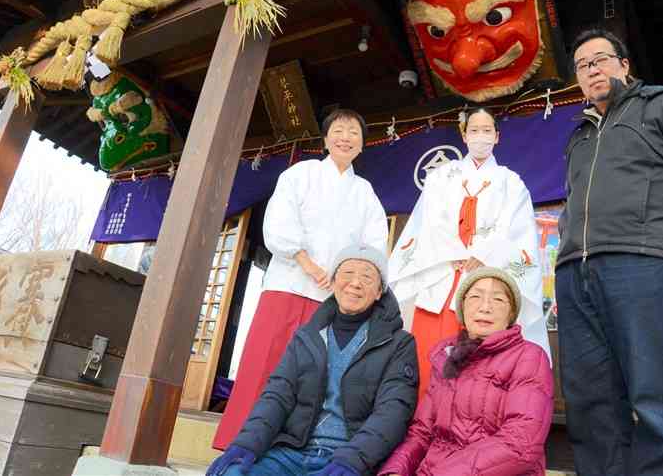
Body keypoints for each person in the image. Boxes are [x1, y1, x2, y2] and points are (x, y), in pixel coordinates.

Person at [556, 28, 663, 476]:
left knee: (655, 392)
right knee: (590, 399)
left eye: (600, 59)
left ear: (624, 64)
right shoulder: (579, 136)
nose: (592, 69)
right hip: (576, 274)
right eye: (582, 65)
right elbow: (573, 202)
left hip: (642, 264)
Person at [214, 109, 389, 449]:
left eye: (354, 133)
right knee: (265, 362)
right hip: (289, 285)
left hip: (332, 298)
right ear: (325, 139)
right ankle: (238, 444)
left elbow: (374, 243)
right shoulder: (301, 174)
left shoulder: (365, 192)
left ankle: (288, 449)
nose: (345, 138)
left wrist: (350, 278)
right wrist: (304, 260)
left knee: (312, 376)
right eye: (338, 130)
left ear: (362, 145)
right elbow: (279, 221)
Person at [207, 244, 418, 476]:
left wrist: (353, 460)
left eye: (367, 277)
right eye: (347, 273)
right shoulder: (306, 336)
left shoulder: (399, 344)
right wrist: (246, 444)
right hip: (291, 452)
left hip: (345, 458)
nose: (355, 283)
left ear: (380, 292)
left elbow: (393, 412)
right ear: (334, 281)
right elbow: (277, 395)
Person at [388, 107, 549, 398]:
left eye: (487, 130)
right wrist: (454, 252)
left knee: (479, 365)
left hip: (486, 275)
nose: (480, 136)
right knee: (427, 357)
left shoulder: (511, 183)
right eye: (474, 130)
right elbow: (428, 221)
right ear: (464, 135)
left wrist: (483, 254)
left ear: (497, 137)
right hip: (443, 273)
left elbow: (518, 230)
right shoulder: (440, 176)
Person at [378, 267, 553, 476]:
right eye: (475, 297)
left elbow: (520, 443)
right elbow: (421, 432)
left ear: (511, 315)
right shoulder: (446, 357)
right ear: (462, 309)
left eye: (498, 300)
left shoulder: (529, 357)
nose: (485, 307)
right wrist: (396, 469)